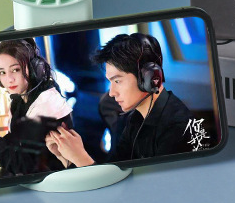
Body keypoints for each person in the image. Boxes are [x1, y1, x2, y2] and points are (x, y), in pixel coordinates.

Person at [47, 32, 194, 167]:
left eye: (117, 81)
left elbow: (141, 188)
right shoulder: (132, 119)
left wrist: (80, 158)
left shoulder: (178, 129)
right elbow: (114, 172)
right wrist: (68, 158)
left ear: (149, 78)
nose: (111, 93)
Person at [0, 38, 73, 176]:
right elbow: (13, 143)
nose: (9, 79)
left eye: (15, 70)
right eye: (2, 72)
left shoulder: (47, 104)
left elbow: (20, 164)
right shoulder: (21, 100)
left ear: (34, 69)